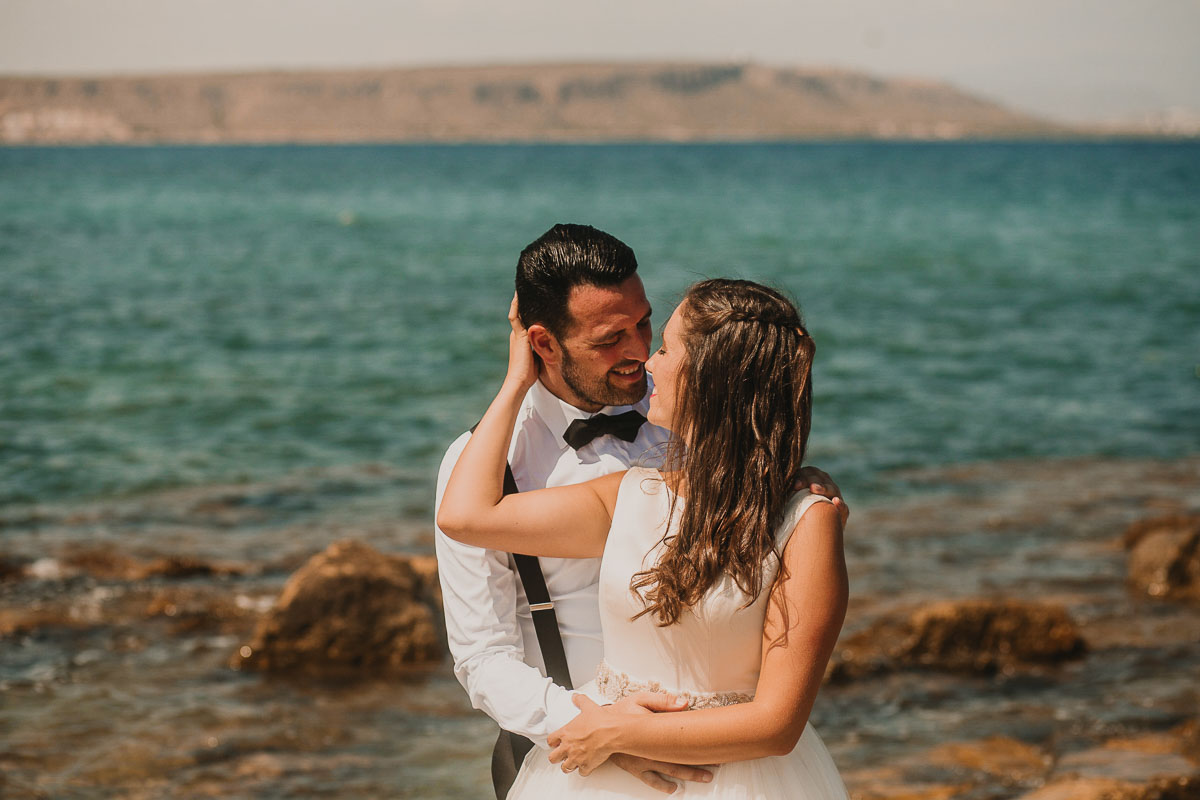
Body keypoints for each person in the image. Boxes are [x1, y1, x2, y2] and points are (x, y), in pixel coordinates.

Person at [433, 224, 846, 796]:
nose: (638, 355)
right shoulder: (485, 465)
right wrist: (597, 732)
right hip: (569, 755)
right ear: (543, 344)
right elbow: (482, 656)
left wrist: (793, 491)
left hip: (730, 758)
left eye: (646, 327)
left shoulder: (684, 426)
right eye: (609, 339)